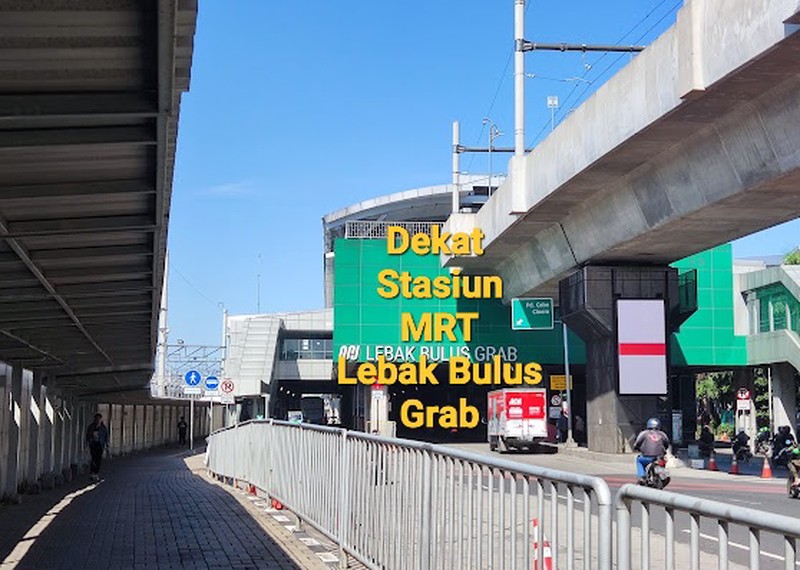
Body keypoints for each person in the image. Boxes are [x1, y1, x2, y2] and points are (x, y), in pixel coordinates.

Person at [633, 418, 670, 485]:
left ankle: (642, 477)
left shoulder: (644, 433)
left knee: (639, 460)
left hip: (647, 457)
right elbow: (667, 444)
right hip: (659, 457)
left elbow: (637, 443)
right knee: (663, 462)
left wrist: (636, 447)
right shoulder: (662, 434)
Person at [85, 413, 109, 482]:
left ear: (101, 420)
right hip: (93, 444)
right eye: (96, 419)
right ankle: (92, 473)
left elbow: (106, 436)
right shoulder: (91, 427)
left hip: (100, 445)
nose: (98, 421)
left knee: (98, 459)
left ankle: (96, 473)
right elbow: (88, 435)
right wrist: (88, 444)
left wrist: (107, 445)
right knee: (93, 458)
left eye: (99, 419)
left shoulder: (103, 428)